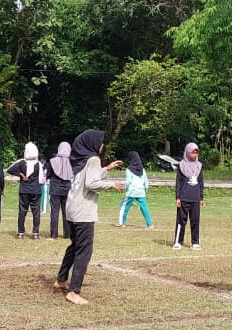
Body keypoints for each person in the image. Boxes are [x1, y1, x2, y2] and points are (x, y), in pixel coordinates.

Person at [55, 130, 123, 305]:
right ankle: (74, 291)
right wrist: (112, 184)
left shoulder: (79, 159)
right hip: (83, 212)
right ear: (93, 143)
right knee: (84, 250)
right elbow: (91, 183)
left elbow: (87, 177)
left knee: (75, 246)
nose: (102, 145)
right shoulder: (93, 159)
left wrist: (106, 169)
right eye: (101, 142)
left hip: (71, 209)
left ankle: (61, 280)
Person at [8, 142, 45, 239]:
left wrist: (20, 174)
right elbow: (41, 179)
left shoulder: (21, 162)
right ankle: (35, 233)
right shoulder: (39, 164)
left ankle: (21, 232)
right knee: (36, 212)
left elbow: (9, 170)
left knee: (22, 211)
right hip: (36, 190)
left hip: (24, 190)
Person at [173, 142, 205, 250]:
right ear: (187, 153)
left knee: (195, 220)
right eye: (192, 153)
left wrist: (201, 198)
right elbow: (178, 182)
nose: (195, 155)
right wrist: (177, 197)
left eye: (196, 153)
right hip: (184, 198)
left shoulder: (199, 166)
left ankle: (195, 242)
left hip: (195, 198)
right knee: (181, 220)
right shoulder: (181, 165)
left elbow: (201, 182)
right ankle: (178, 241)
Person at [117, 151, 154, 228]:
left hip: (131, 192)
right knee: (144, 208)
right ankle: (150, 225)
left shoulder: (129, 169)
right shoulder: (142, 170)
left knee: (124, 207)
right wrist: (145, 190)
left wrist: (124, 188)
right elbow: (146, 182)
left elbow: (128, 181)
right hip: (141, 192)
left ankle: (122, 223)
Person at [48, 141, 73, 239]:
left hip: (55, 189)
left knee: (54, 212)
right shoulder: (72, 162)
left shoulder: (52, 161)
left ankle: (54, 234)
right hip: (67, 189)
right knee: (66, 213)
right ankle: (67, 234)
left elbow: (49, 174)